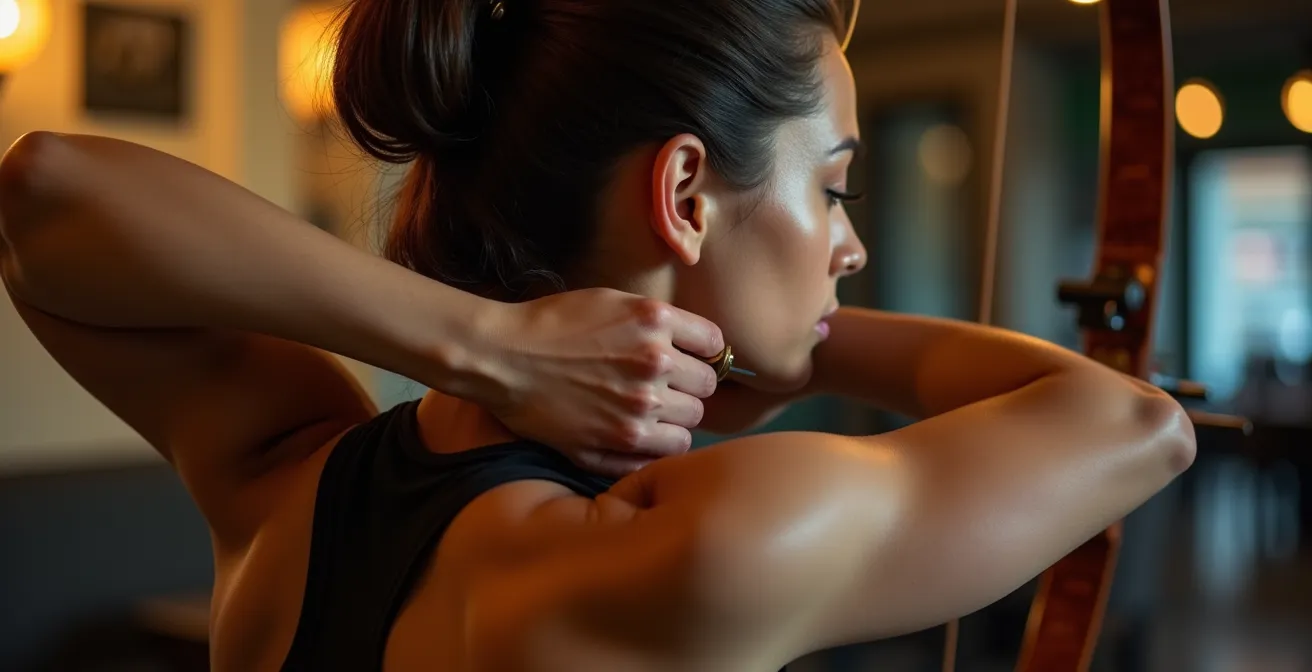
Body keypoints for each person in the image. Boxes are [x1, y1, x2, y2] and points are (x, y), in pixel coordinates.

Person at [0, 0, 1196, 671]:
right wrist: (802, 347)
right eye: (835, 188)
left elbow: (46, 196)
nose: (851, 246)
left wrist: (480, 347)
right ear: (684, 195)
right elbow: (1132, 422)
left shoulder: (290, 480)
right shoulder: (695, 553)